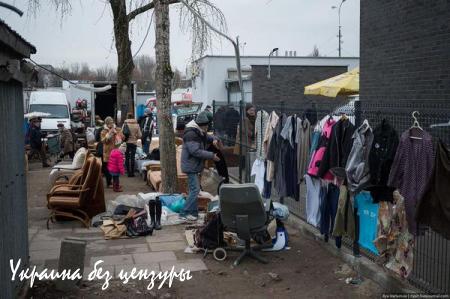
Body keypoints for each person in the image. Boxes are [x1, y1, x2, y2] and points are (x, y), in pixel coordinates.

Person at [180, 111, 221, 221]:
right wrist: (212, 156)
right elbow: (195, 151)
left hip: (194, 165)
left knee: (194, 190)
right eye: (206, 126)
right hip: (191, 166)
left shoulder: (198, 131)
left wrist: (215, 139)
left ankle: (193, 213)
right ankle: (184, 213)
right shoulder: (191, 134)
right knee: (195, 190)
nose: (207, 128)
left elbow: (208, 137)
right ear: (201, 125)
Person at [101, 117, 123, 188]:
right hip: (107, 153)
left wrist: (118, 134)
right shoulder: (104, 131)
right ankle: (109, 183)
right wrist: (109, 134)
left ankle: (115, 183)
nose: (111, 124)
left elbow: (122, 138)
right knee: (108, 169)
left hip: (115, 152)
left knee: (115, 168)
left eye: (112, 122)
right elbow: (103, 141)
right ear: (106, 124)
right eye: (109, 123)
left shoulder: (117, 129)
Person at [123, 113, 142, 177]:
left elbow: (122, 134)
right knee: (132, 157)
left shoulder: (125, 124)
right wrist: (135, 137)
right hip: (134, 143)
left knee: (127, 157)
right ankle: (132, 173)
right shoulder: (137, 125)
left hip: (127, 143)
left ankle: (128, 172)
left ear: (127, 117)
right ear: (133, 117)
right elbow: (140, 135)